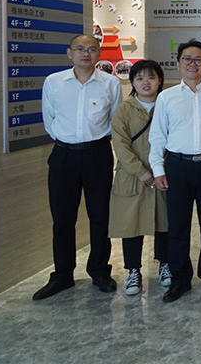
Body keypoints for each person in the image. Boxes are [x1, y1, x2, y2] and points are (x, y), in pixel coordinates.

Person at [33, 34, 122, 300]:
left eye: (92, 49)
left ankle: (99, 271)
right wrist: (68, 141)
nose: (86, 54)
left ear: (99, 54)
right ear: (69, 53)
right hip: (64, 155)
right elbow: (49, 120)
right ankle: (62, 275)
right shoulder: (54, 82)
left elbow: (115, 121)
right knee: (62, 219)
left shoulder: (111, 83)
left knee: (100, 216)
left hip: (98, 155)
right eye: (80, 49)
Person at [149, 39, 201, 303]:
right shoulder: (166, 97)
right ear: (178, 64)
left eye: (198, 60)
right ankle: (180, 279)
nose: (193, 64)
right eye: (187, 59)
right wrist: (158, 170)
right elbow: (157, 136)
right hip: (177, 166)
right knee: (178, 226)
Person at [109, 59, 170, 296]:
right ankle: (133, 270)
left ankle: (164, 264)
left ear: (160, 80)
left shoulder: (167, 104)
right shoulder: (123, 110)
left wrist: (160, 169)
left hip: (162, 174)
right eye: (140, 78)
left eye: (151, 77)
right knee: (131, 225)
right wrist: (141, 171)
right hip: (132, 177)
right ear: (132, 82)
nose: (146, 82)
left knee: (164, 221)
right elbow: (121, 145)